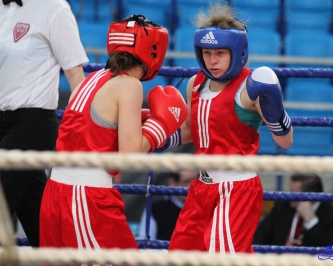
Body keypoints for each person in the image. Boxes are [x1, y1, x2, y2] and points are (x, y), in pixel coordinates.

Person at [39, 14, 188, 250]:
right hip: (86, 197)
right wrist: (159, 126)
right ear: (153, 51)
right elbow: (129, 153)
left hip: (56, 192)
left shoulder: (95, 77)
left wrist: (160, 126)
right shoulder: (129, 85)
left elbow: (98, 131)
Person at [161, 3, 293, 254]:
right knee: (181, 254)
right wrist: (154, 136)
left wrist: (277, 111)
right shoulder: (195, 84)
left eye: (220, 53)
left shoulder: (250, 87)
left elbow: (285, 142)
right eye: (207, 52)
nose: (212, 60)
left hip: (236, 188)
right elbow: (190, 131)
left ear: (237, 51)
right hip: (201, 186)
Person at [0, 0, 88, 247]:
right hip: (4, 122)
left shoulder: (54, 7)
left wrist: (82, 131)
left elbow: (76, 76)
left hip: (32, 124)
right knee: (39, 217)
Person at [252, 173, 333, 247]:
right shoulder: (283, 205)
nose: (290, 196)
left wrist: (311, 221)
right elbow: (260, 235)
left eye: (294, 192)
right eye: (290, 191)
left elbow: (328, 250)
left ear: (310, 195)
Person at [137, 171, 199, 241]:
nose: (192, 186)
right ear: (173, 183)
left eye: (196, 182)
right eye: (186, 182)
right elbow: (145, 242)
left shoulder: (206, 208)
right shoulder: (155, 209)